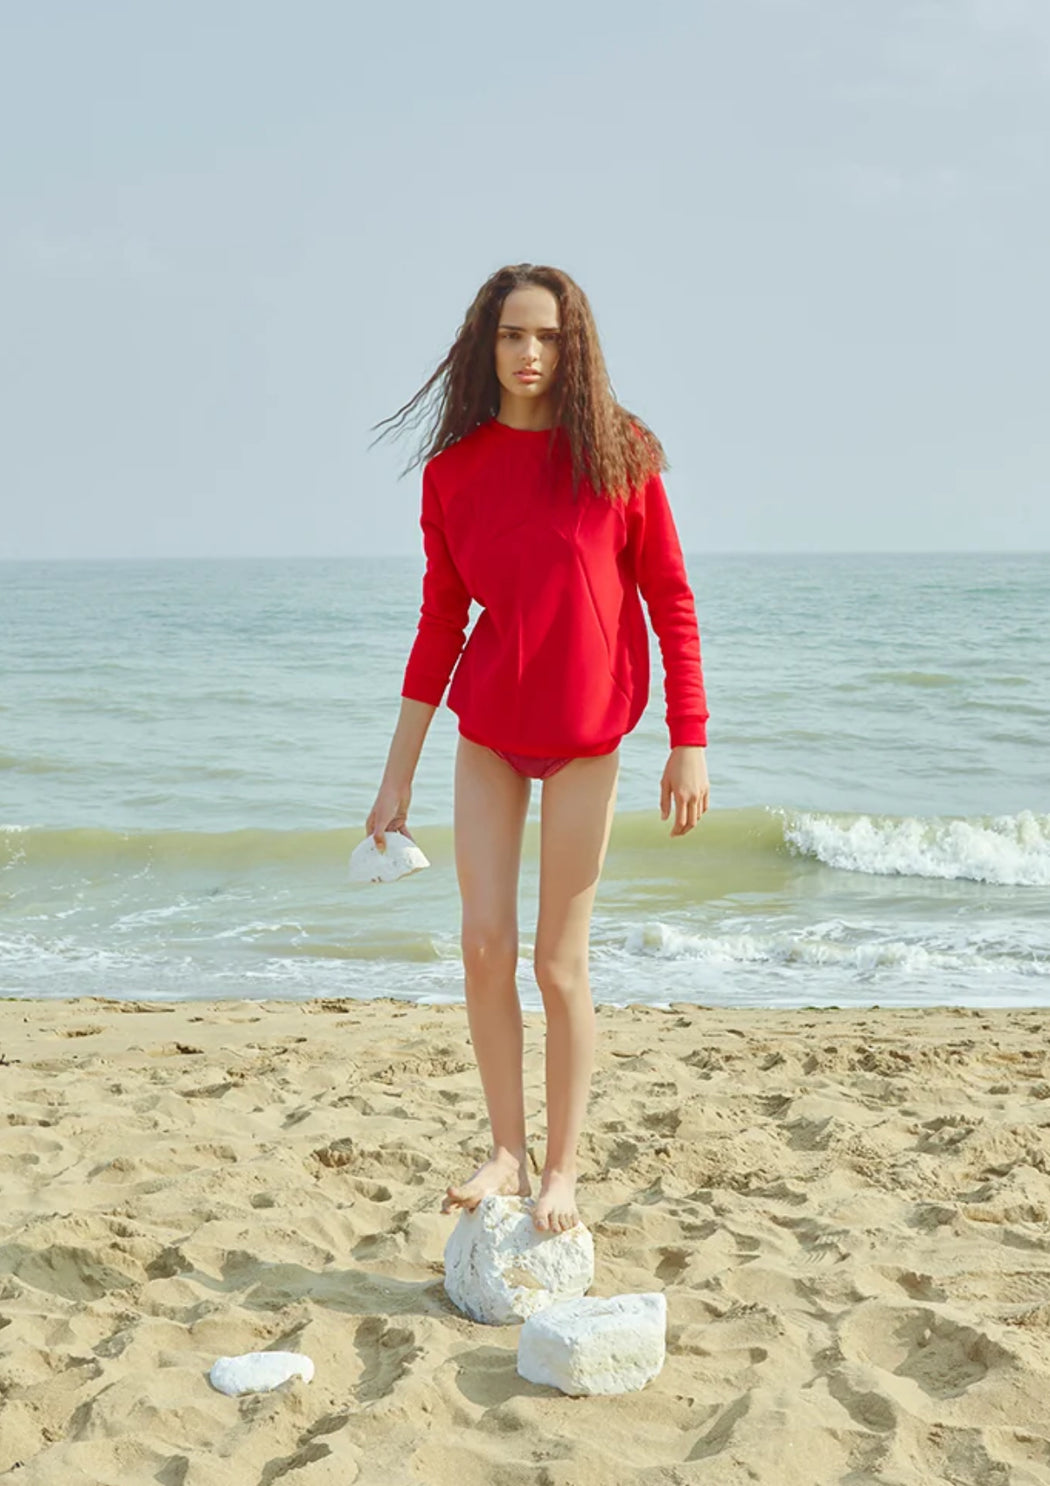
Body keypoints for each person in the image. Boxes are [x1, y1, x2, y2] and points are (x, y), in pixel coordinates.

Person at [365, 263, 709, 1236]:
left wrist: (691, 739)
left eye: (547, 338)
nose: (529, 354)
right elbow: (439, 627)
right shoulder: (454, 475)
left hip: (589, 737)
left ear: (573, 347)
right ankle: (506, 1153)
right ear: (488, 346)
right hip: (489, 733)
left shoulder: (621, 454)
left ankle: (562, 1169)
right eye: (513, 335)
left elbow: (670, 599)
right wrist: (396, 778)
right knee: (483, 946)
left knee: (560, 964)